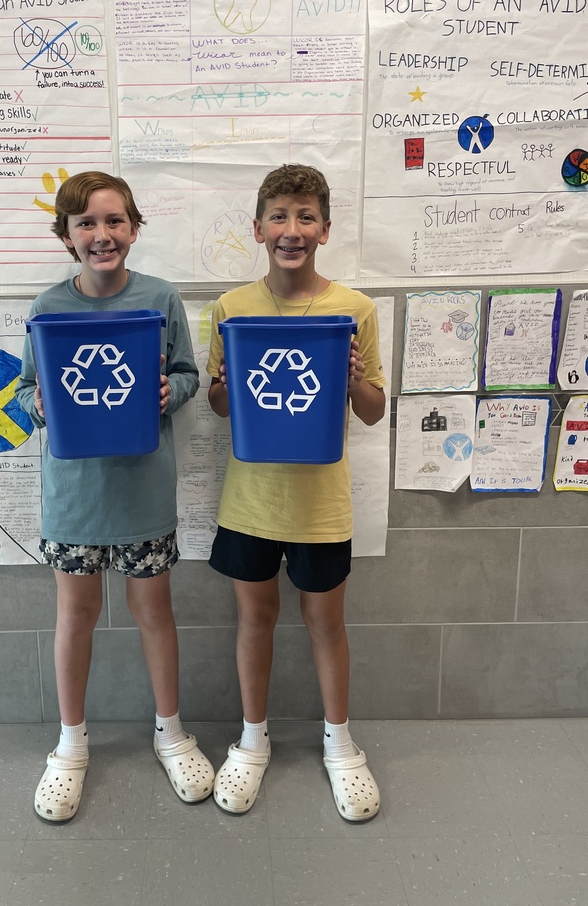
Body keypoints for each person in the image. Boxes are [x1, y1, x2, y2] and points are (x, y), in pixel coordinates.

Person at [16, 171, 214, 822]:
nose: (102, 235)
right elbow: (24, 389)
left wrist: (172, 393)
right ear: (67, 236)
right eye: (87, 224)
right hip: (73, 495)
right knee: (75, 614)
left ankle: (170, 731)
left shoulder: (160, 300)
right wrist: (38, 403)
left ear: (133, 227)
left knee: (154, 611)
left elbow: (185, 372)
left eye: (115, 221)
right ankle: (70, 745)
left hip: (142, 489)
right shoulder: (48, 309)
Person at [206, 164, 386, 821]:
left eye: (306, 217)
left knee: (326, 625)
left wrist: (352, 377)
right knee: (254, 621)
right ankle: (252, 741)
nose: (292, 229)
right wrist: (220, 380)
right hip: (251, 503)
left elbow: (372, 411)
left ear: (326, 230)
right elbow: (222, 406)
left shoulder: (354, 310)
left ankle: (341, 744)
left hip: (322, 506)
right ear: (258, 229)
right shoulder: (231, 309)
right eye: (279, 216)